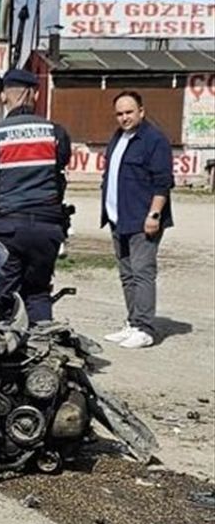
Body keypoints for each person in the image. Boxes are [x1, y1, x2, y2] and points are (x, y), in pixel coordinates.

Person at [0, 68, 71, 324]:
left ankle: (6, 357)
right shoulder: (56, 133)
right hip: (47, 230)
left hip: (7, 231)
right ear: (36, 94)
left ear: (5, 96)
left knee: (1, 298)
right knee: (39, 293)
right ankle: (43, 351)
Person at [100, 90, 174, 349]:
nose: (124, 118)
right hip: (118, 218)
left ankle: (145, 328)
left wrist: (154, 215)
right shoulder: (118, 137)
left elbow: (163, 183)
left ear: (141, 111)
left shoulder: (154, 140)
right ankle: (132, 323)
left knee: (142, 273)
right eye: (119, 113)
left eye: (129, 112)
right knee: (127, 274)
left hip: (143, 219)